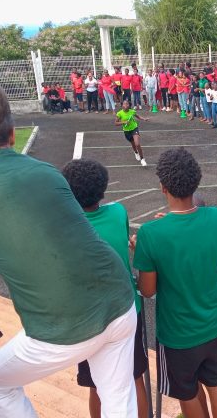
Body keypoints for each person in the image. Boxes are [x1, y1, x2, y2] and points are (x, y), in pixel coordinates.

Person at [0, 84, 138, 417]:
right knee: (118, 399)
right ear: (11, 134)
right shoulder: (46, 172)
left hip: (63, 325)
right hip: (119, 301)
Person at [133, 148, 217, 418]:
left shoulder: (150, 234)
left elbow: (147, 290)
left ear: (162, 187)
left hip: (177, 336)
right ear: (195, 182)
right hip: (213, 325)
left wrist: (142, 253)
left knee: (186, 392)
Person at [60, 159, 150, 418]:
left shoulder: (64, 228)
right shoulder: (118, 212)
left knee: (96, 384)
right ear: (102, 189)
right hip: (126, 310)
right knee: (134, 377)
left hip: (88, 317)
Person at [116, 99, 150, 167]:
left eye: (127, 104)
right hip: (126, 131)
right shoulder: (119, 113)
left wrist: (144, 119)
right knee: (133, 144)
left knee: (137, 144)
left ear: (129, 105)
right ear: (122, 105)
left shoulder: (132, 112)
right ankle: (136, 152)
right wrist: (124, 122)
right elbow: (116, 123)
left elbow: (138, 117)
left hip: (134, 128)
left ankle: (142, 159)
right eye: (124, 104)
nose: (125, 105)